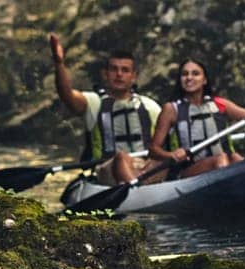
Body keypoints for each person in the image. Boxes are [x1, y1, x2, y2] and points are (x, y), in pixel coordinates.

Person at [49, 34, 161, 185]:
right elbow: (66, 95)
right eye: (114, 69)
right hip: (108, 169)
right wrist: (59, 63)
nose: (119, 74)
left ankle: (140, 186)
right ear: (105, 75)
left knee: (163, 161)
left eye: (125, 70)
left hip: (143, 168)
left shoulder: (150, 107)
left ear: (134, 76)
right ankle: (135, 191)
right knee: (121, 158)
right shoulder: (94, 103)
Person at [147, 58, 245, 180]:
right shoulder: (171, 109)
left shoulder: (220, 104)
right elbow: (153, 150)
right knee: (221, 159)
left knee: (235, 157)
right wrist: (171, 155)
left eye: (195, 73)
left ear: (204, 80)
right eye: (185, 74)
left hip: (224, 162)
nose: (189, 78)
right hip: (189, 170)